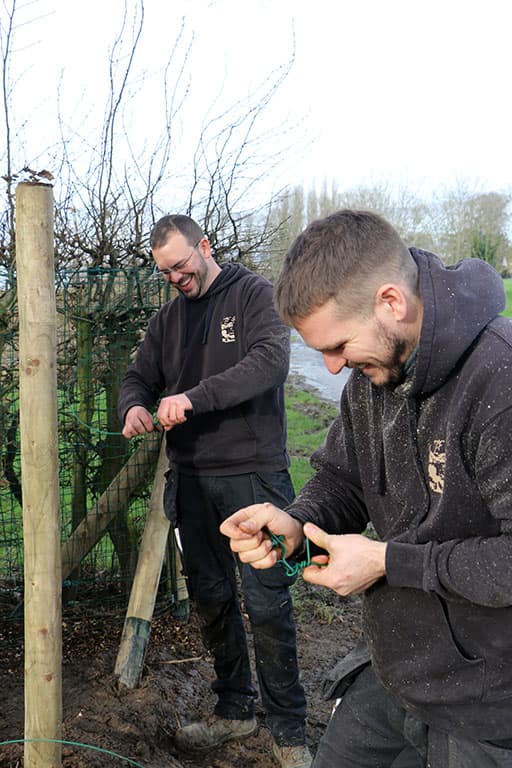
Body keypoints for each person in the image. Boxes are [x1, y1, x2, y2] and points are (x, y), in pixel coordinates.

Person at [220, 209, 512, 768]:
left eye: (337, 345)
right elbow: (343, 479)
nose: (331, 368)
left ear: (390, 303)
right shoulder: (373, 375)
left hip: (490, 702)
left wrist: (387, 562)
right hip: (398, 669)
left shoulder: (498, 378)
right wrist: (295, 525)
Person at [118, 214, 311, 768]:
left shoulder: (254, 295)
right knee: (212, 597)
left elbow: (270, 363)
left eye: (181, 264)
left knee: (267, 602)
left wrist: (194, 397)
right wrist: (134, 404)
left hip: (253, 474)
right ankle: (235, 709)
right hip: (192, 480)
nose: (175, 277)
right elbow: (138, 377)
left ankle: (289, 730)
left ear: (205, 247)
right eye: (165, 271)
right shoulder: (167, 320)